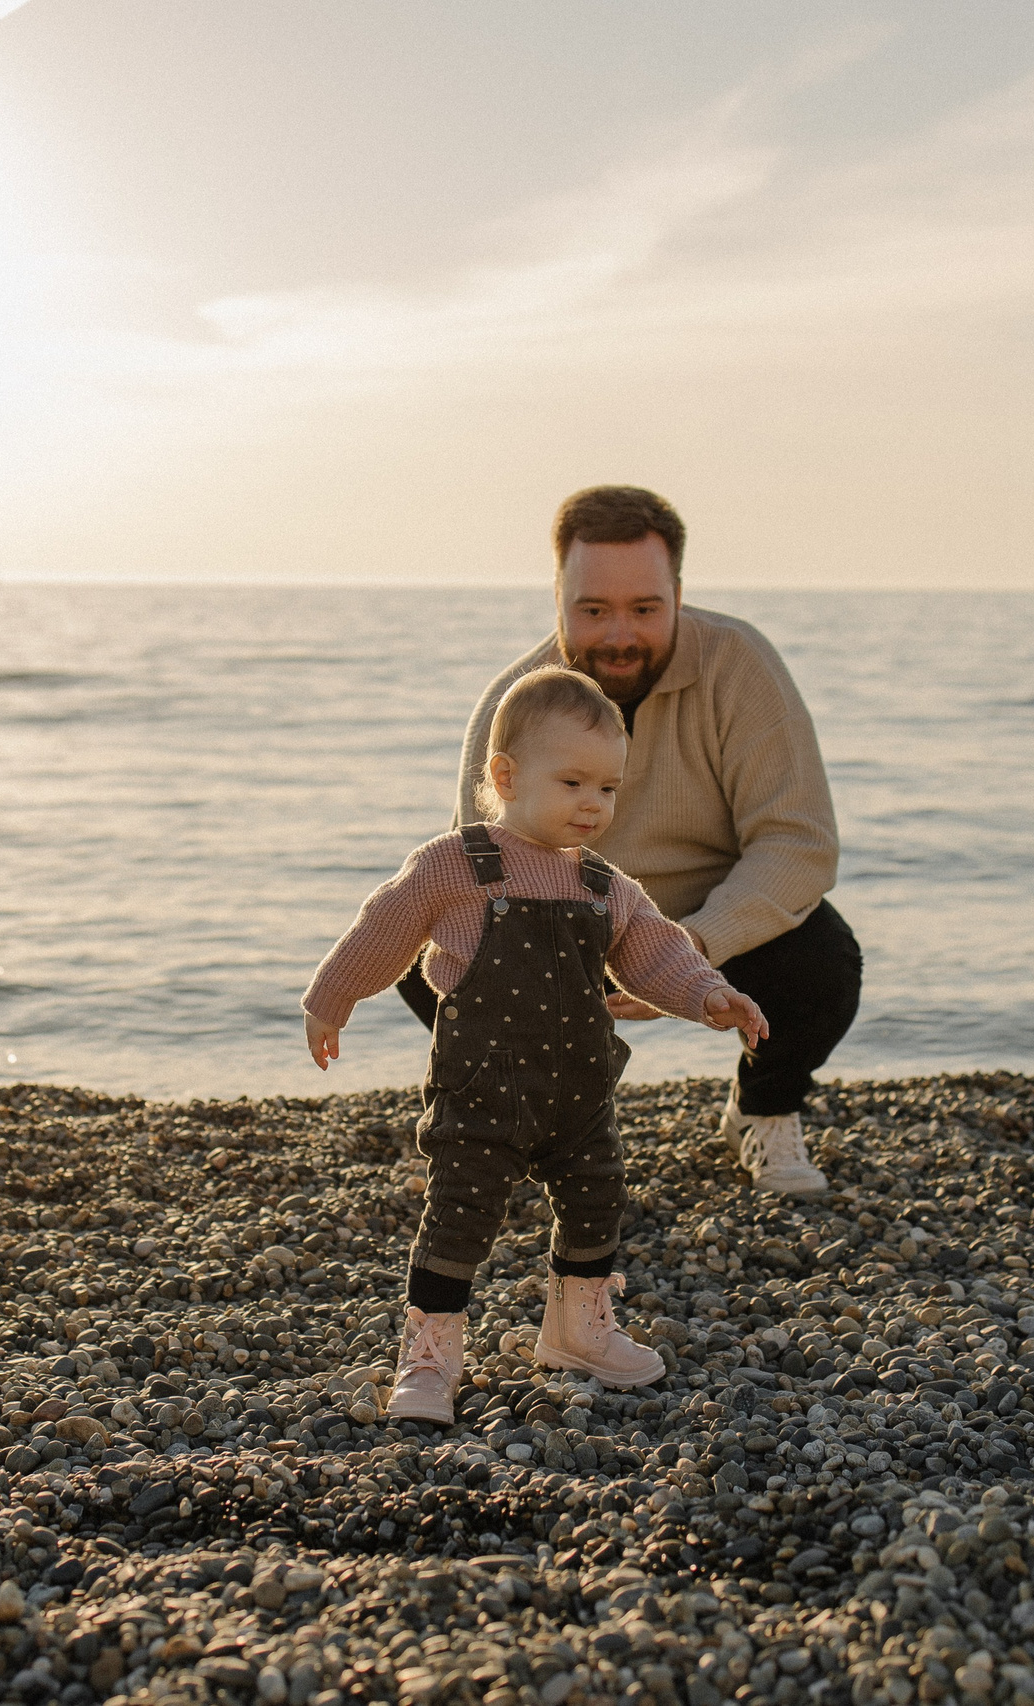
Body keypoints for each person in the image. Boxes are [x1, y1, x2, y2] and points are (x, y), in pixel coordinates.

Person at [304, 667, 768, 1424]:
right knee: (459, 1215)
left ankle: (578, 1330)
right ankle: (430, 1357)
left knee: (596, 1200)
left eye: (610, 789)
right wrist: (331, 999)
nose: (594, 804)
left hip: (579, 1094)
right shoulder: (455, 864)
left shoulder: (604, 885)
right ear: (506, 776)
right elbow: (383, 928)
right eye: (574, 783)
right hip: (482, 1090)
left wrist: (708, 994)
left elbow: (655, 951)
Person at [403, 485, 859, 1197]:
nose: (619, 634)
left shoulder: (740, 666)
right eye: (593, 610)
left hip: (708, 916)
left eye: (645, 609)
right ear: (558, 597)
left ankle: (763, 1112)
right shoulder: (513, 701)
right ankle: (528, 1126)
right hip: (565, 923)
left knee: (823, 960)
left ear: (678, 592)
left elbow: (799, 844)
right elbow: (479, 872)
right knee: (428, 955)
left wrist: (691, 947)